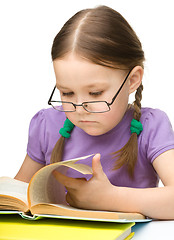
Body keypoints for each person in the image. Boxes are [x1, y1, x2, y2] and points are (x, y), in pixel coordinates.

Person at [14, 5, 174, 220]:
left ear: (132, 80)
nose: (80, 108)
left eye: (96, 93)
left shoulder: (151, 126)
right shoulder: (46, 125)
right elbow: (17, 196)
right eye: (67, 92)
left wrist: (109, 198)